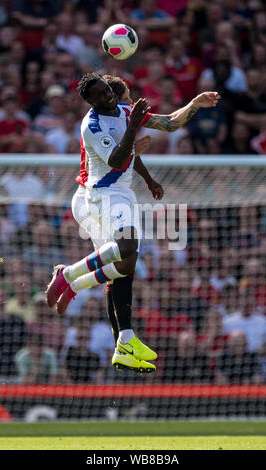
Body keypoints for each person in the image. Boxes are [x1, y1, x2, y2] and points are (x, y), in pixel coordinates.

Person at [46, 72, 220, 374]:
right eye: (101, 95)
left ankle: (124, 340)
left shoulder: (125, 111)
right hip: (100, 195)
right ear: (91, 101)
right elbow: (116, 158)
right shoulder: (93, 125)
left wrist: (194, 103)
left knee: (125, 267)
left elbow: (169, 123)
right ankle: (69, 275)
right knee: (127, 247)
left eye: (107, 91)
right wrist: (134, 127)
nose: (109, 97)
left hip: (121, 194)